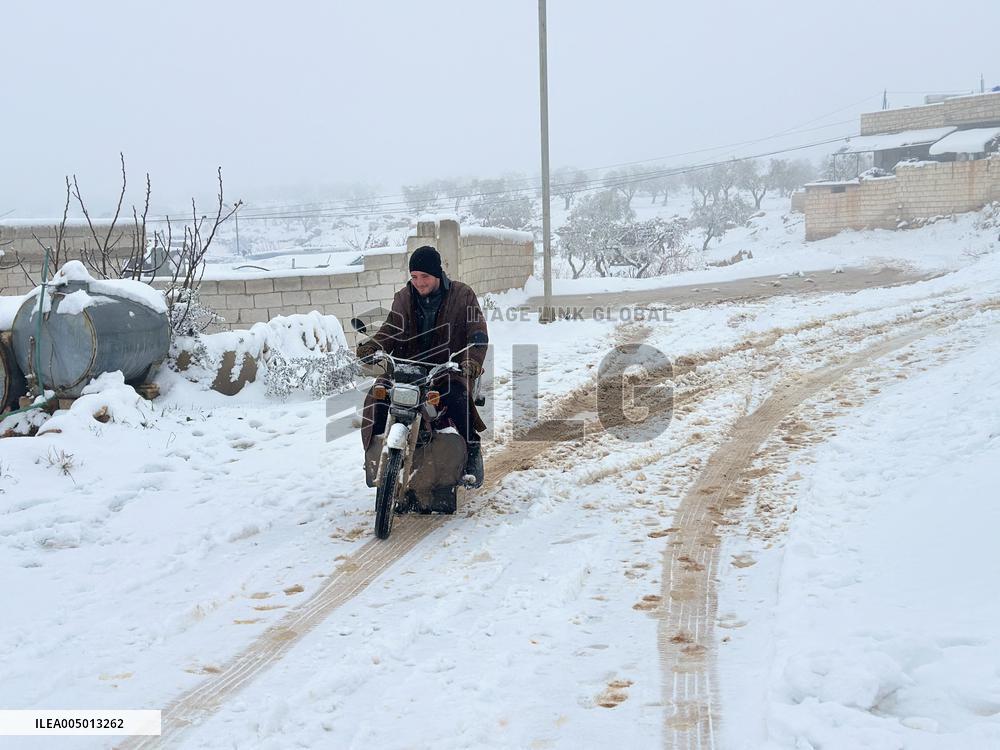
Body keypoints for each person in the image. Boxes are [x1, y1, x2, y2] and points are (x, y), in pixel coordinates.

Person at [356, 245, 488, 485]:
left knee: (457, 397)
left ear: (437, 274)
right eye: (414, 276)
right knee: (378, 396)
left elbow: (477, 333)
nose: (418, 282)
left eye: (424, 276)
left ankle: (471, 451)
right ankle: (375, 453)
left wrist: (471, 360)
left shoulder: (462, 295)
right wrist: (373, 345)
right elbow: (390, 329)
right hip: (406, 369)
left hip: (446, 368)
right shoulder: (403, 298)